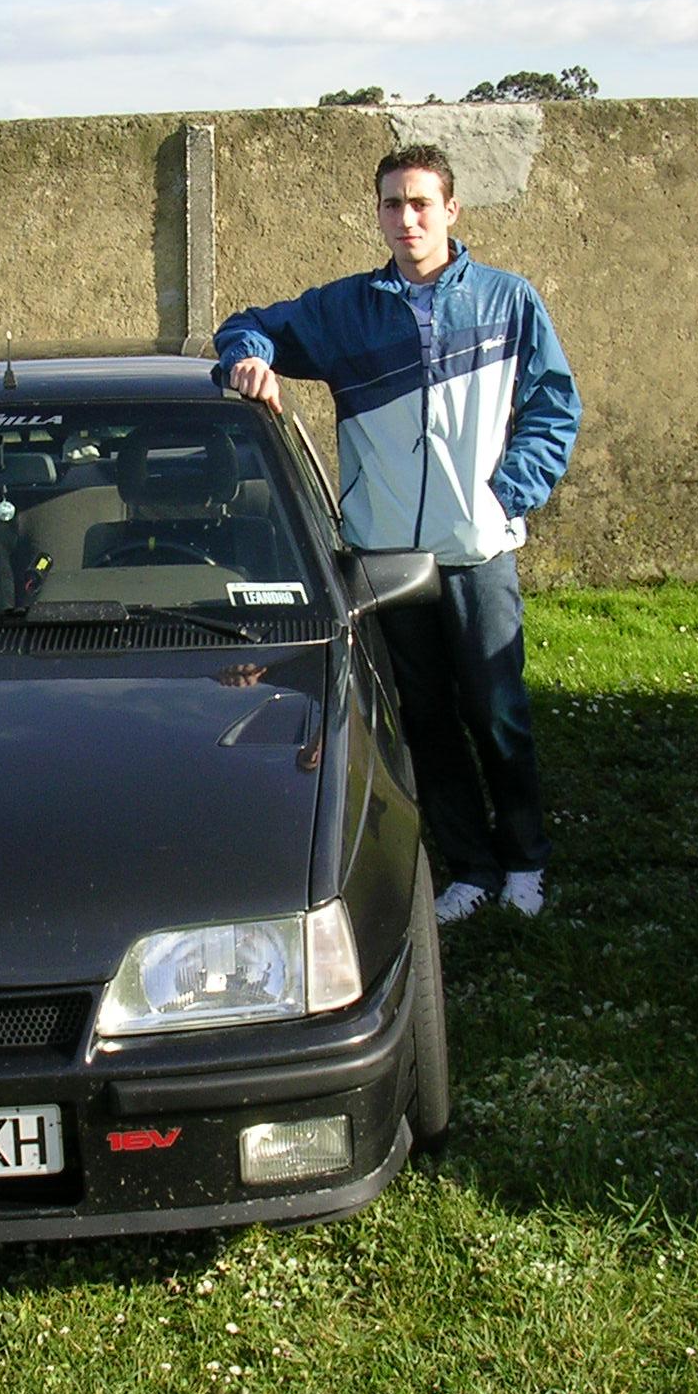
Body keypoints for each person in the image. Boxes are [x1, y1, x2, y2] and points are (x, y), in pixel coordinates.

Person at [214, 144, 581, 922]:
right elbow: (247, 324)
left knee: (498, 712)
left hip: (477, 551)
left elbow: (554, 407)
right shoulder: (345, 311)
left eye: (420, 203)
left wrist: (504, 498)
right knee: (425, 717)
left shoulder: (508, 301)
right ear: (378, 214)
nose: (406, 219)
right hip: (386, 560)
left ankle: (525, 861)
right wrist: (249, 361)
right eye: (392, 204)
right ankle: (471, 869)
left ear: (450, 210)